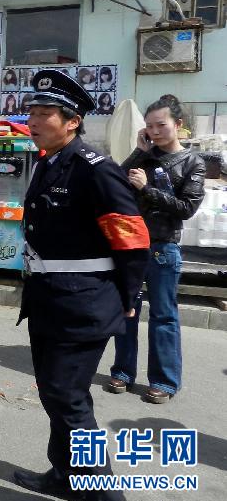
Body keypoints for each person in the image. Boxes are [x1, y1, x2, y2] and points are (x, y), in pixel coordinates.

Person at [13, 70, 150, 501]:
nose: (34, 121)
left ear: (72, 121)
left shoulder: (96, 170)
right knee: (57, 394)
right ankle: (66, 476)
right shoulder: (49, 161)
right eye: (32, 112)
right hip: (50, 301)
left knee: (69, 400)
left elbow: (131, 239)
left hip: (82, 305)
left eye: (45, 114)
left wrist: (129, 298)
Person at [107, 95, 205, 404]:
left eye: (161, 125)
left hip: (164, 247)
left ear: (178, 125)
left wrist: (146, 190)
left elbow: (186, 208)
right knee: (127, 310)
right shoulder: (145, 156)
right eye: (149, 126)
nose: (155, 131)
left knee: (164, 316)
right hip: (132, 245)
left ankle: (164, 380)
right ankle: (123, 372)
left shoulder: (193, 161)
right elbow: (115, 182)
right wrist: (139, 149)